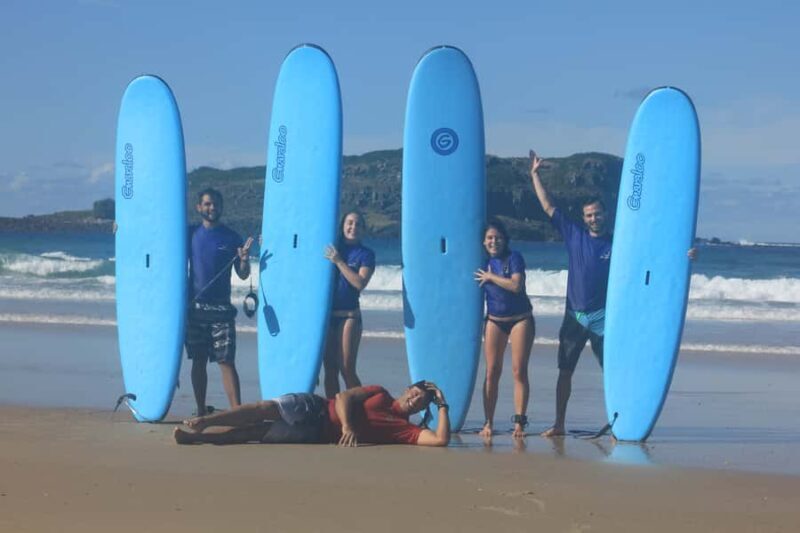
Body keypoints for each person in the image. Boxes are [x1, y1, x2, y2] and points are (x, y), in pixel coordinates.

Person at [529, 151, 695, 437]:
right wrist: (534, 174)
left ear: (606, 214)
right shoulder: (574, 235)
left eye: (597, 213)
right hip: (575, 316)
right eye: (589, 215)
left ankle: (626, 420)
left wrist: (685, 255)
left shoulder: (619, 244)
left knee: (614, 372)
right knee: (565, 371)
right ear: (584, 218)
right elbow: (547, 207)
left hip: (604, 319)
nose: (594, 218)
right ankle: (559, 423)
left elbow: (652, 257)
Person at [172, 381, 450, 447]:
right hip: (316, 406)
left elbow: (439, 441)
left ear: (423, 408)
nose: (414, 399)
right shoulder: (379, 392)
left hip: (316, 433)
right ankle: (204, 422)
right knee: (262, 409)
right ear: (407, 388)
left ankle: (196, 439)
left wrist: (442, 404)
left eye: (422, 402)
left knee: (256, 433)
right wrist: (348, 427)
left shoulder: (404, 429)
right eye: (415, 392)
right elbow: (343, 397)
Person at [186, 188, 253, 416]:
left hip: (222, 310)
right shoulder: (189, 234)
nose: (211, 208)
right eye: (207, 204)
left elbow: (243, 274)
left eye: (215, 204)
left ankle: (237, 412)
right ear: (199, 207)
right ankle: (200, 409)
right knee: (198, 360)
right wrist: (121, 229)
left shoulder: (232, 237)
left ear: (221, 207)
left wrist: (244, 260)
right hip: (195, 309)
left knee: (226, 361)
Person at [474, 218, 535, 439]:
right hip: (494, 320)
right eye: (489, 238)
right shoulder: (479, 260)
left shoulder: (514, 258)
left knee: (519, 370)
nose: (494, 241)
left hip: (521, 319)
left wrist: (490, 276)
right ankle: (488, 422)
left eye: (498, 237)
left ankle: (519, 423)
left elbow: (516, 285)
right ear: (483, 241)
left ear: (505, 239)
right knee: (492, 372)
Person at [322, 211, 375, 398]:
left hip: (349, 316)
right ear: (342, 225)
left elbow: (359, 283)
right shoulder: (331, 248)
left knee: (346, 368)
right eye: (349, 223)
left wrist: (338, 261)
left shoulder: (366, 255)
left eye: (358, 224)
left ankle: (363, 411)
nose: (353, 227)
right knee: (329, 368)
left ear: (363, 230)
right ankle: (333, 413)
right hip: (327, 317)